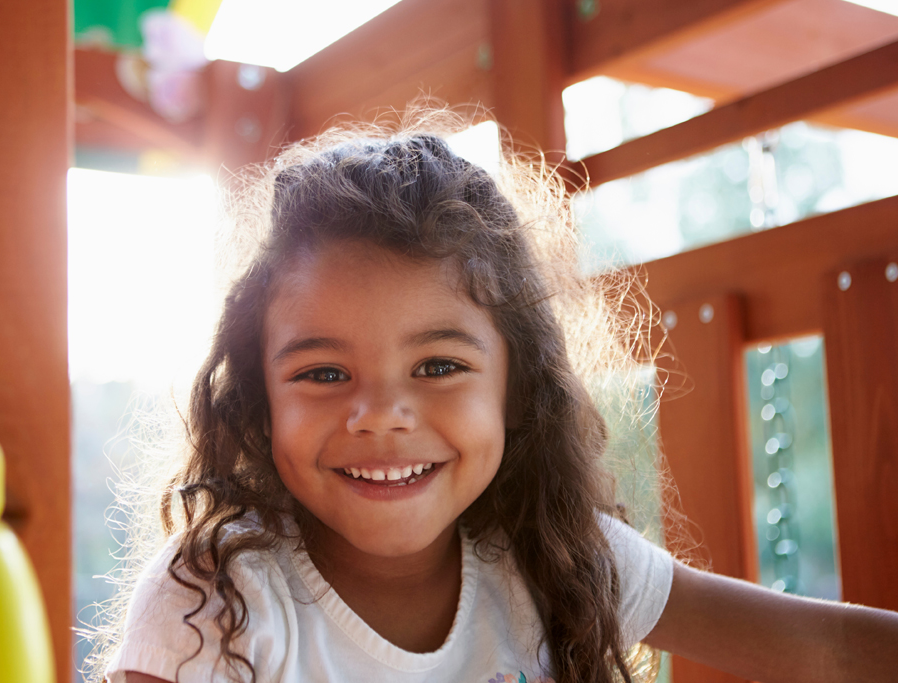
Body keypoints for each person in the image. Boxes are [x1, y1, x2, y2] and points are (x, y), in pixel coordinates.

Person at [96, 114, 898, 683]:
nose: (380, 413)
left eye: (438, 366)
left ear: (517, 389)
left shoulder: (554, 558)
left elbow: (823, 650)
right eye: (323, 373)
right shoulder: (217, 597)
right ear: (260, 401)